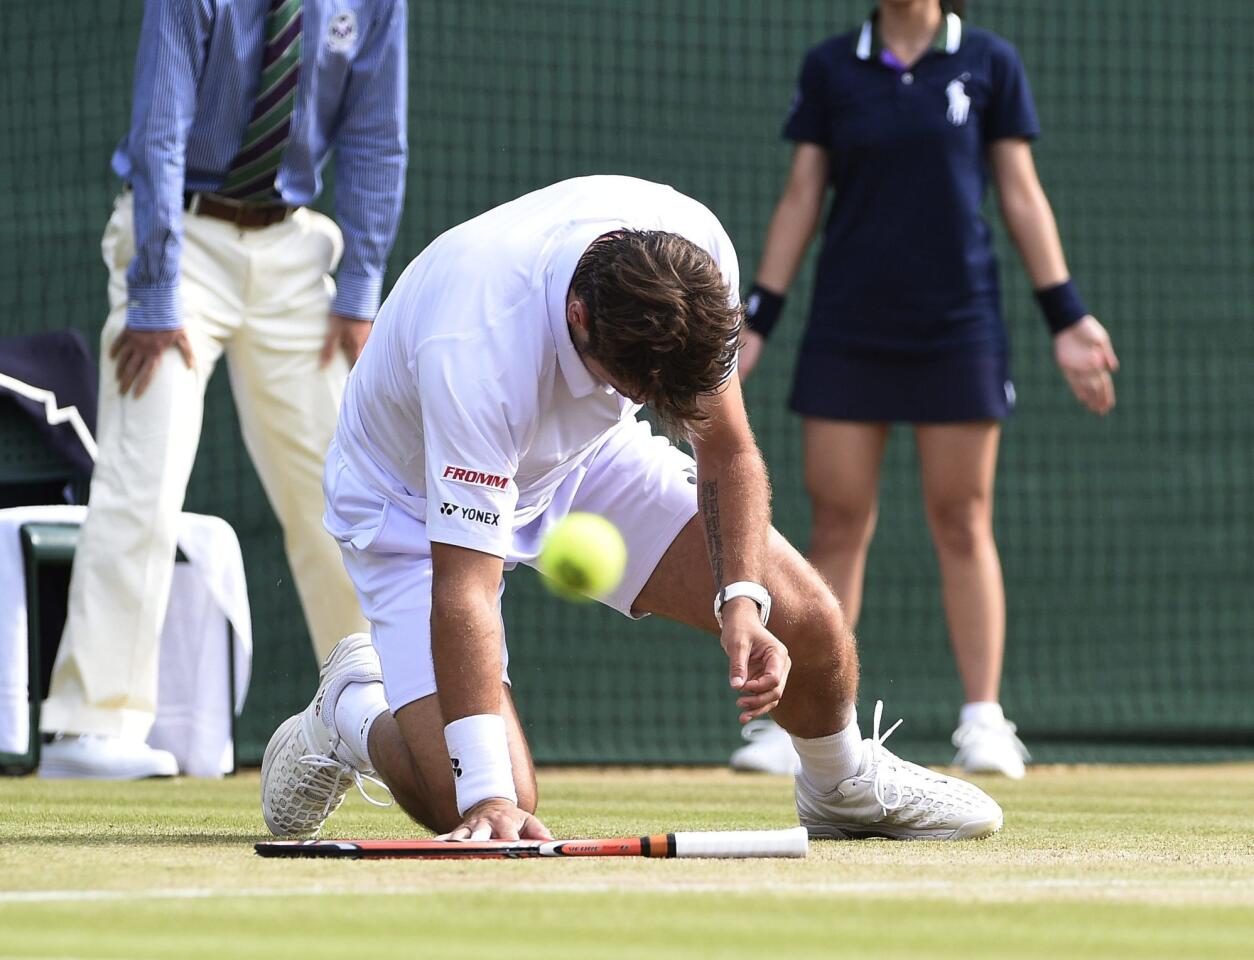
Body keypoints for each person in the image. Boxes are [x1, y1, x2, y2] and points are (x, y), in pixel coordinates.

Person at [259, 175, 1005, 843]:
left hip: (586, 458)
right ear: (579, 315)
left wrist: (740, 601)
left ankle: (842, 786)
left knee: (799, 613)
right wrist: (486, 800)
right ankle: (352, 711)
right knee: (473, 794)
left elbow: (729, 451)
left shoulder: (694, 259)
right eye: (639, 386)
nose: (653, 402)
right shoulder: (476, 345)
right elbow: (466, 587)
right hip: (410, 500)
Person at [730, 0, 1119, 779]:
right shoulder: (831, 66)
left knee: (963, 517)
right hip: (848, 325)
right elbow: (802, 196)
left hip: (959, 326)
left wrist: (1067, 317)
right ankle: (806, 723)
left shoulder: (989, 64)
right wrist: (757, 319)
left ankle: (983, 720)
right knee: (838, 522)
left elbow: (1020, 193)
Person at [38, 0, 408, 780]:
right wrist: (152, 292)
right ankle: (90, 725)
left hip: (295, 254)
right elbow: (160, 130)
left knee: (344, 493)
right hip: (177, 241)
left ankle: (378, 718)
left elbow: (376, 135)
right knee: (144, 474)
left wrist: (360, 288)